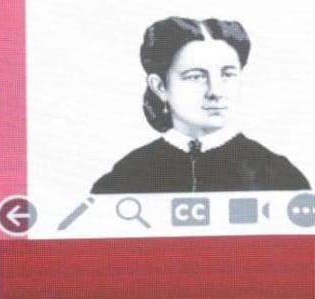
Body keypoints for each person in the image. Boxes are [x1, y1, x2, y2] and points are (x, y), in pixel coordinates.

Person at [91, 16, 310, 193]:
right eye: (196, 76)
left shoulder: (278, 176)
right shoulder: (127, 177)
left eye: (227, 74)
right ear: (160, 87)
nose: (215, 91)